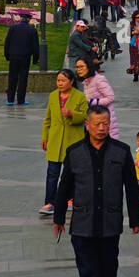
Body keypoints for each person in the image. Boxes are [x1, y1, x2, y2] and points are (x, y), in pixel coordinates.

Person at [54, 105, 139, 277]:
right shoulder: (74, 153)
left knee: (108, 268)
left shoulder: (121, 152)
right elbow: (64, 188)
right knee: (87, 274)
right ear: (88, 125)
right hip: (82, 224)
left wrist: (136, 219)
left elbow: (132, 188)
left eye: (105, 123)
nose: (102, 128)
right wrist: (58, 217)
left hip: (110, 223)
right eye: (97, 124)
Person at [40, 68, 88, 214]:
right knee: (52, 174)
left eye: (63, 80)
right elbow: (47, 118)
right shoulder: (53, 96)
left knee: (71, 173)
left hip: (73, 141)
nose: (59, 83)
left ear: (71, 81)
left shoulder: (79, 97)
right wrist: (45, 137)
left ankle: (71, 198)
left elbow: (86, 116)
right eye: (58, 80)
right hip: (55, 140)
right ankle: (50, 202)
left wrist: (72, 114)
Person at [3, 10, 40, 106]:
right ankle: (21, 100)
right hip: (25, 57)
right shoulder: (32, 30)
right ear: (28, 20)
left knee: (12, 78)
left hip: (13, 57)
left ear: (20, 19)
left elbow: (7, 43)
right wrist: (35, 59)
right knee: (23, 79)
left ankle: (10, 99)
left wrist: (7, 55)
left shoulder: (13, 28)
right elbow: (35, 46)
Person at [75, 57, 118, 137]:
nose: (79, 69)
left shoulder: (98, 79)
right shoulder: (86, 82)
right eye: (77, 67)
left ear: (89, 66)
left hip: (105, 119)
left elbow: (111, 97)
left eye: (81, 66)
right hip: (94, 119)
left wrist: (92, 102)